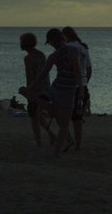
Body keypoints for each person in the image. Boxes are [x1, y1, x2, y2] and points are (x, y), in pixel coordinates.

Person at [29, 28, 82, 157]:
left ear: (53, 41)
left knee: (57, 116)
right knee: (64, 125)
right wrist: (80, 89)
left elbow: (42, 75)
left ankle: (29, 94)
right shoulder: (73, 50)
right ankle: (56, 154)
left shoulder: (54, 56)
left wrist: (30, 87)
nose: (51, 45)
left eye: (50, 43)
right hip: (67, 90)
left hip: (57, 88)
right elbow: (77, 71)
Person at [21, 32, 55, 147]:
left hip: (36, 90)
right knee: (38, 115)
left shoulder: (28, 58)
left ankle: (39, 142)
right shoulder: (41, 54)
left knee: (33, 117)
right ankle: (50, 134)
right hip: (45, 88)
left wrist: (27, 91)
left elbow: (30, 76)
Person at [62, 27, 91, 151]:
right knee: (77, 118)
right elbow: (89, 69)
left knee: (63, 115)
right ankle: (78, 145)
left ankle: (68, 140)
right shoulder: (83, 47)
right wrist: (84, 84)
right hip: (82, 86)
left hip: (69, 86)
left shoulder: (67, 47)